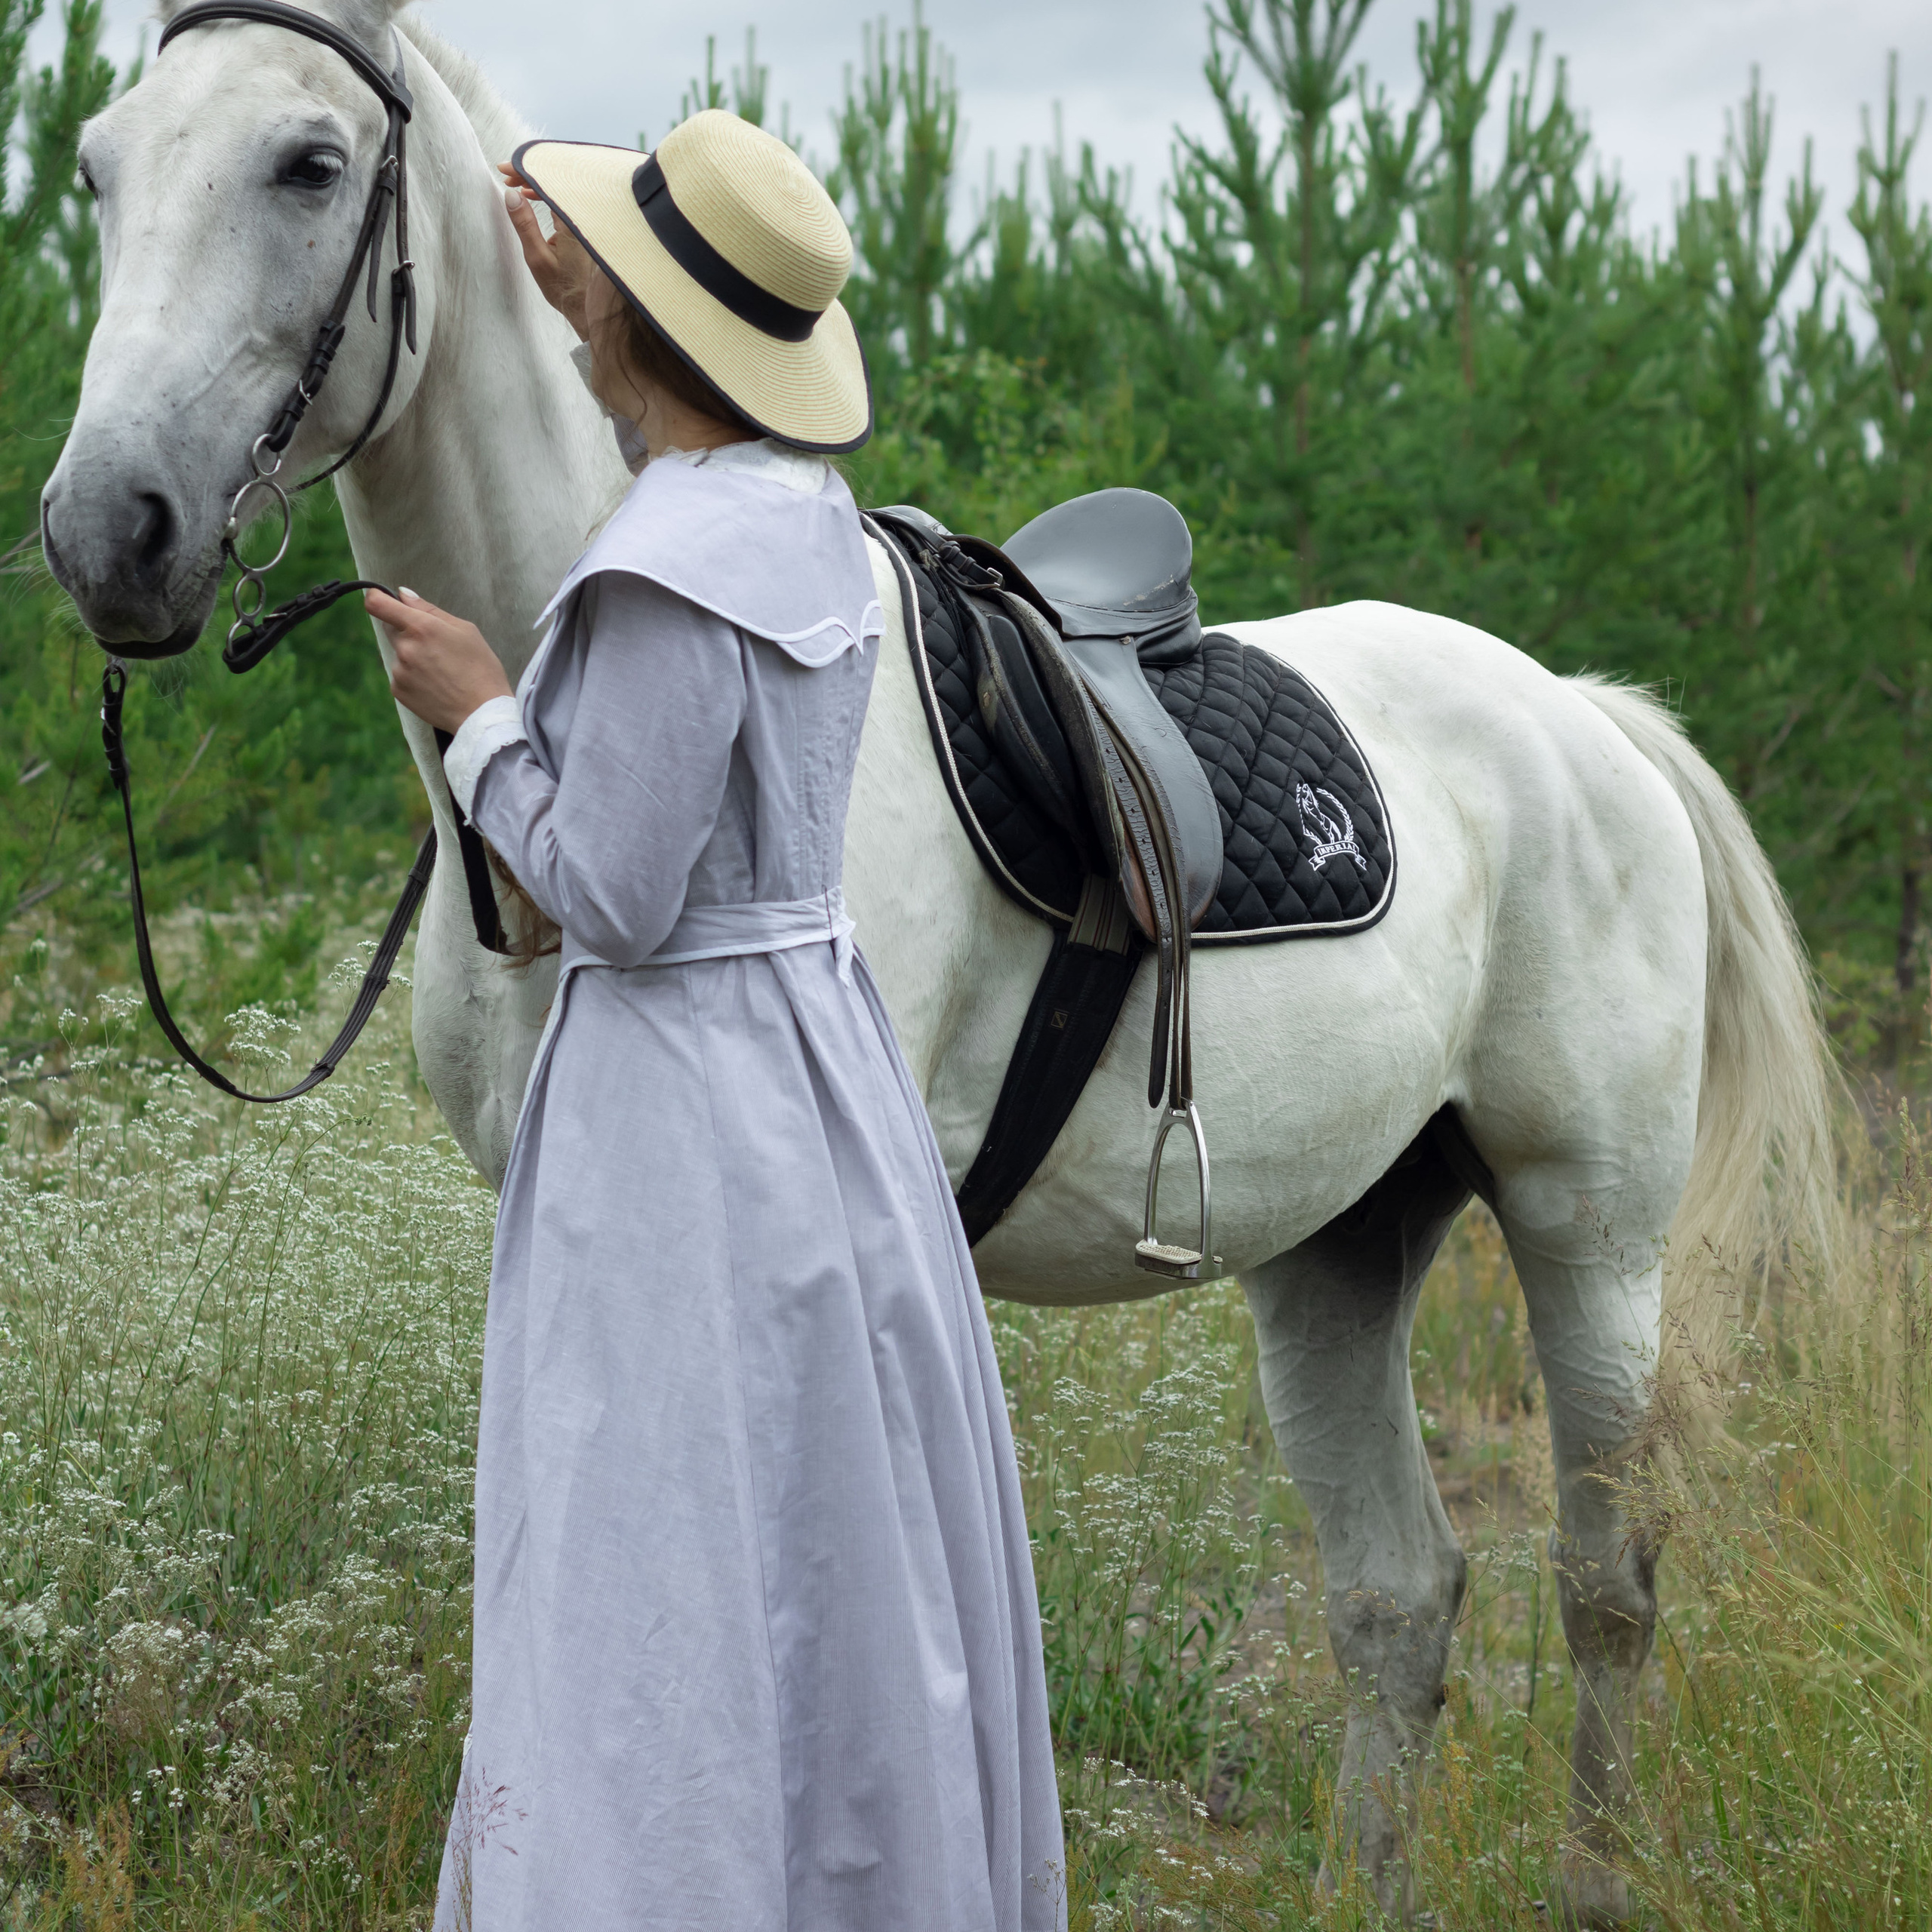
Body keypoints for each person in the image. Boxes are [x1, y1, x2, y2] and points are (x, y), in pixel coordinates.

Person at [365, 111, 1065, 1931]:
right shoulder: (798, 517)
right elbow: (657, 428)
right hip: (807, 1072)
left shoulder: (667, 568)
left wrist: (483, 714)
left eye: (602, 287)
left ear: (644, 329)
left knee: (657, 1518)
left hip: (679, 1107)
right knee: (821, 1527)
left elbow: (607, 888)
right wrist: (589, 298)